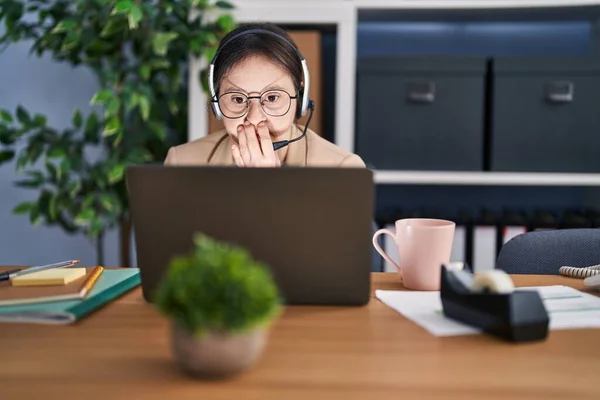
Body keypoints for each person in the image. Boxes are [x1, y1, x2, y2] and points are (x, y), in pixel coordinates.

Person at [164, 22, 365, 168]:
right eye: (237, 99)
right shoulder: (181, 162)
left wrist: (268, 186)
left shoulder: (343, 169)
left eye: (271, 98)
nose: (254, 118)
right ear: (217, 104)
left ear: (300, 98)